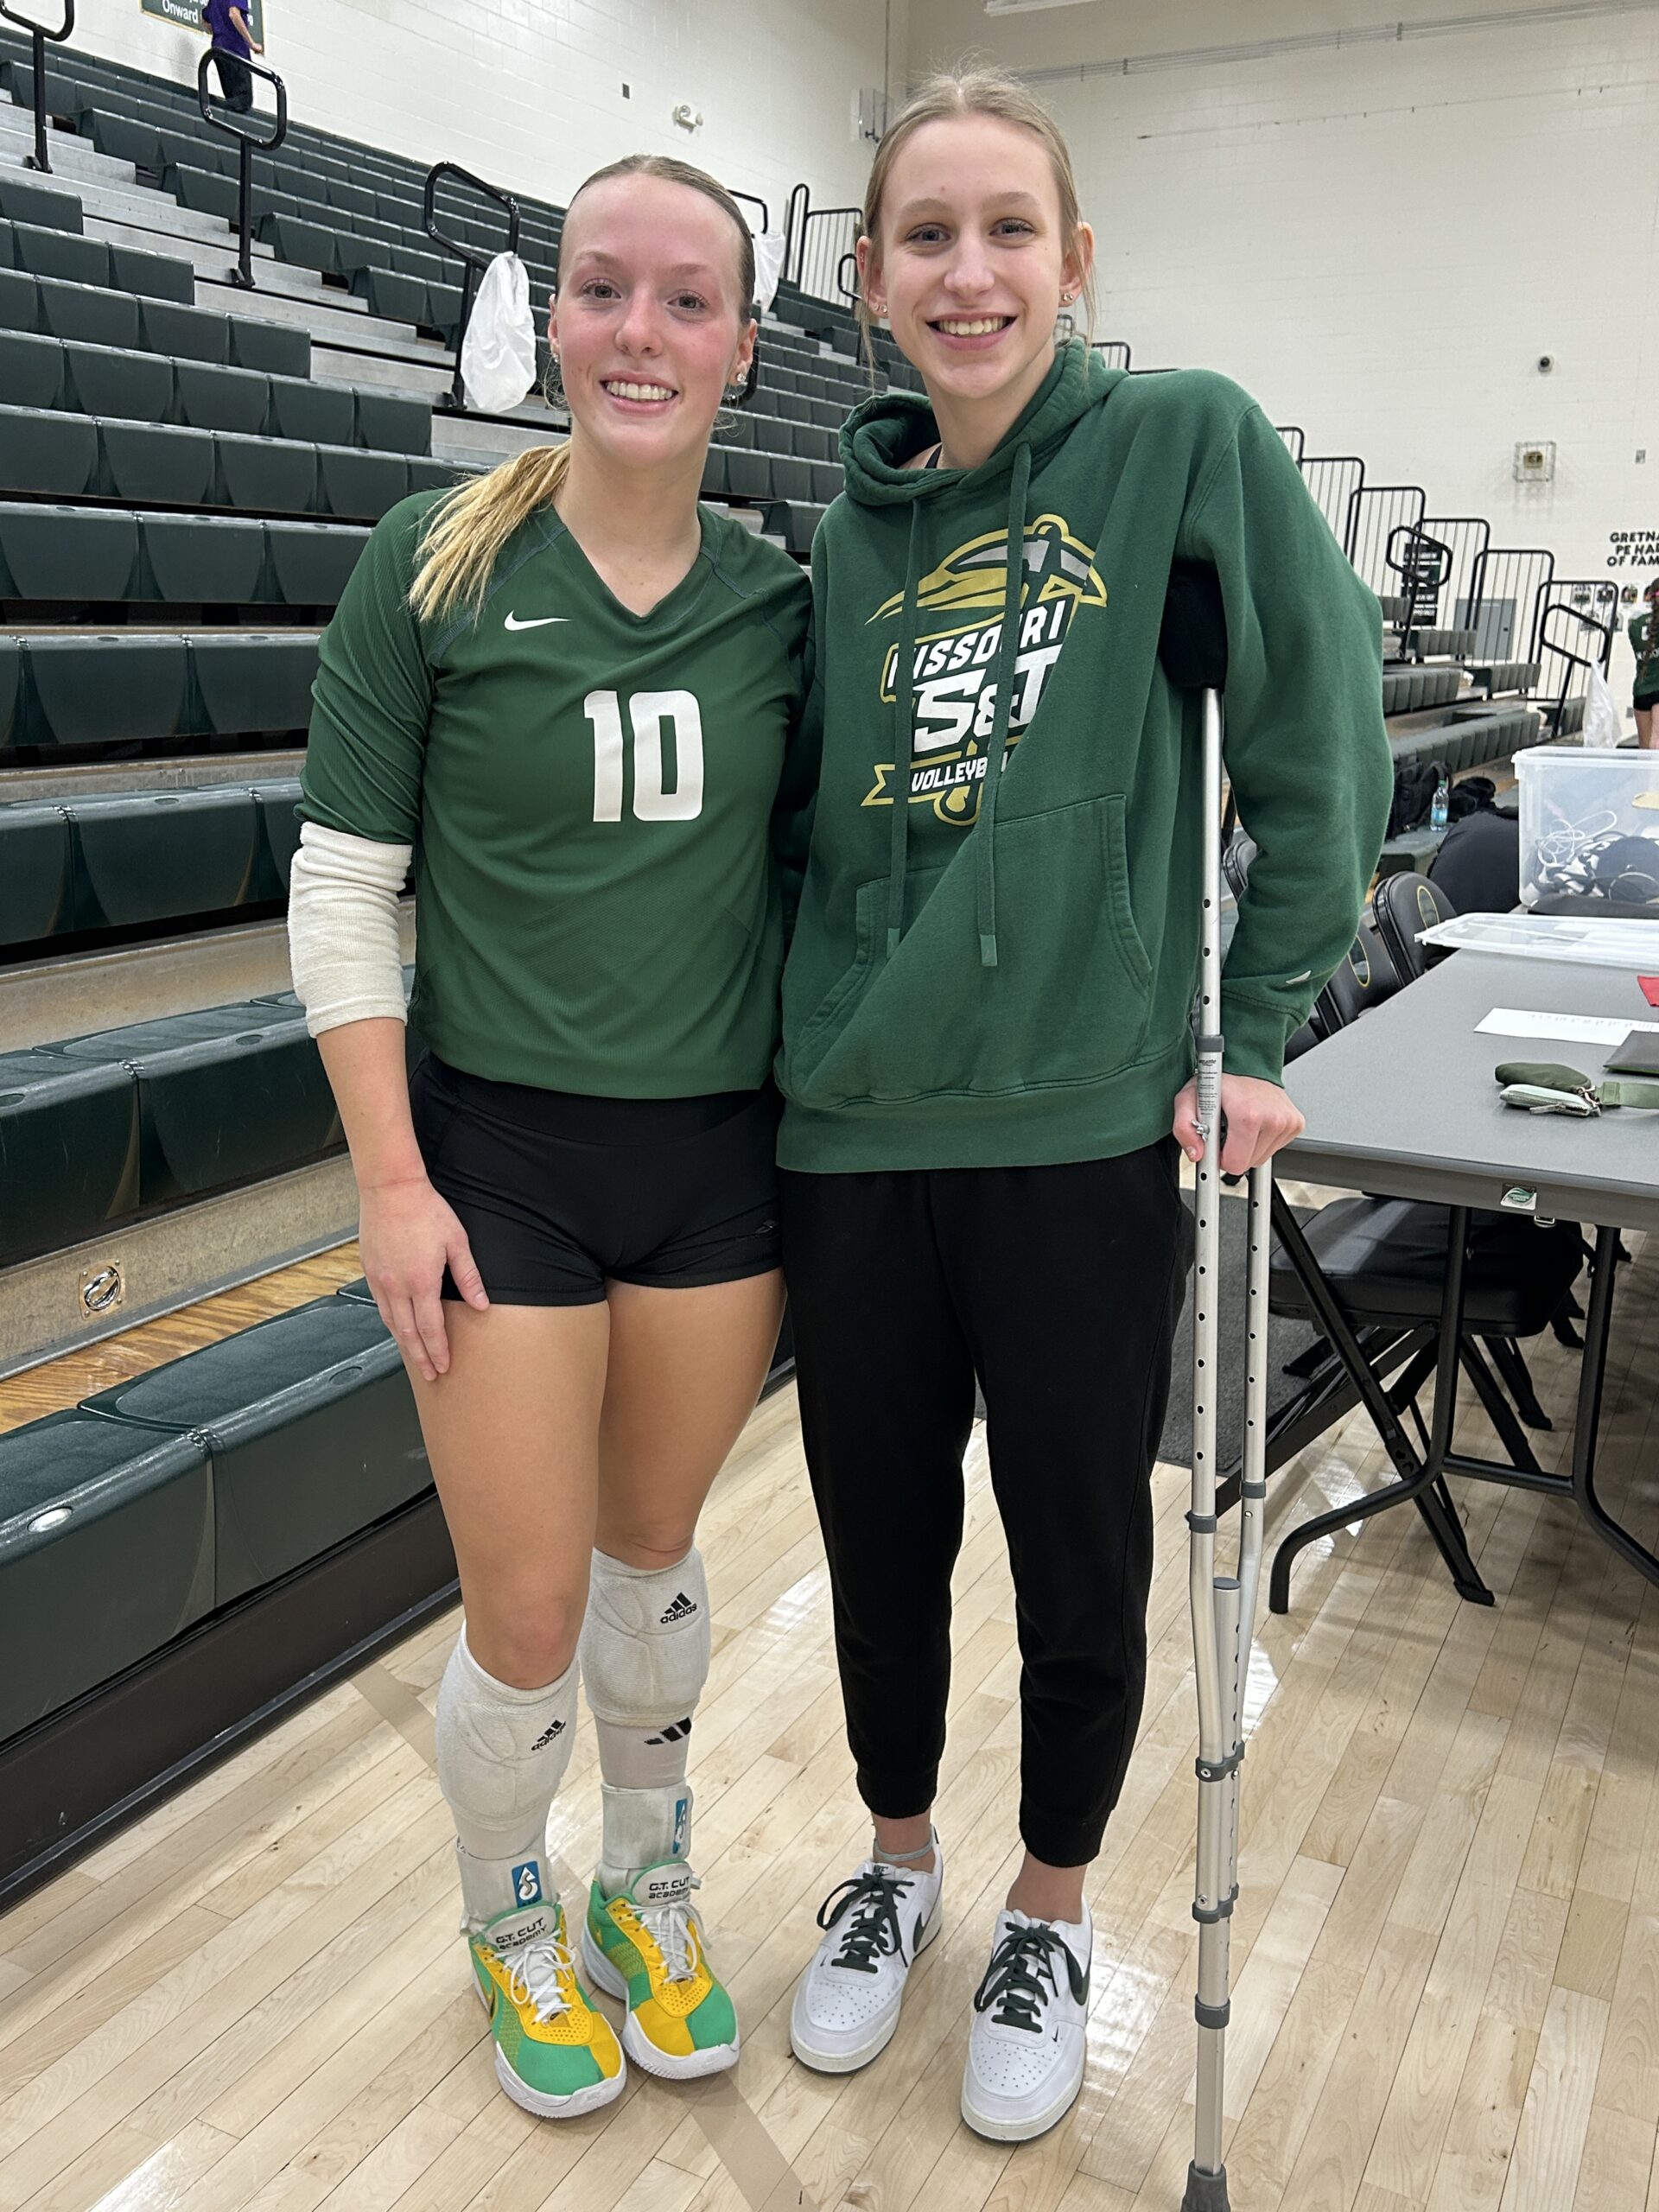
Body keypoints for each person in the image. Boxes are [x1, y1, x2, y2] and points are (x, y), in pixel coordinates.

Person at [775, 67, 1392, 2144]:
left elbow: (1318, 738)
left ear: (1074, 260)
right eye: (923, 237)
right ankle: (897, 1857)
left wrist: (1269, 1017)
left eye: (1004, 230)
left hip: (1072, 1131)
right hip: (854, 1138)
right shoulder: (837, 535)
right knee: (876, 1537)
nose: (967, 273)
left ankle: (1045, 1898)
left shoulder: (1177, 443)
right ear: (863, 283)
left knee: (1070, 1554)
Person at [286, 155, 810, 2120]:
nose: (640, 333)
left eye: (687, 301)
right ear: (550, 321)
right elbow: (344, 893)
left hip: (714, 1163)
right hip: (495, 1158)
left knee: (654, 1557)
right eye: (604, 291)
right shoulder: (432, 563)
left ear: (743, 347)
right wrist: (391, 1177)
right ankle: (507, 1905)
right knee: (519, 1612)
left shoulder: (780, 597)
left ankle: (641, 1880)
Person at [199, 0, 261, 112]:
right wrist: (251, 43)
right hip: (236, 49)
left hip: (218, 49)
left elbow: (205, 19)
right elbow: (234, 14)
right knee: (243, 103)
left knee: (232, 98)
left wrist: (220, 30)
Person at [1628, 576, 1659, 748]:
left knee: (1644, 746)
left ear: (1648, 596)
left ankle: (1645, 777)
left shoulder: (1635, 625)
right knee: (1657, 742)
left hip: (1641, 690)